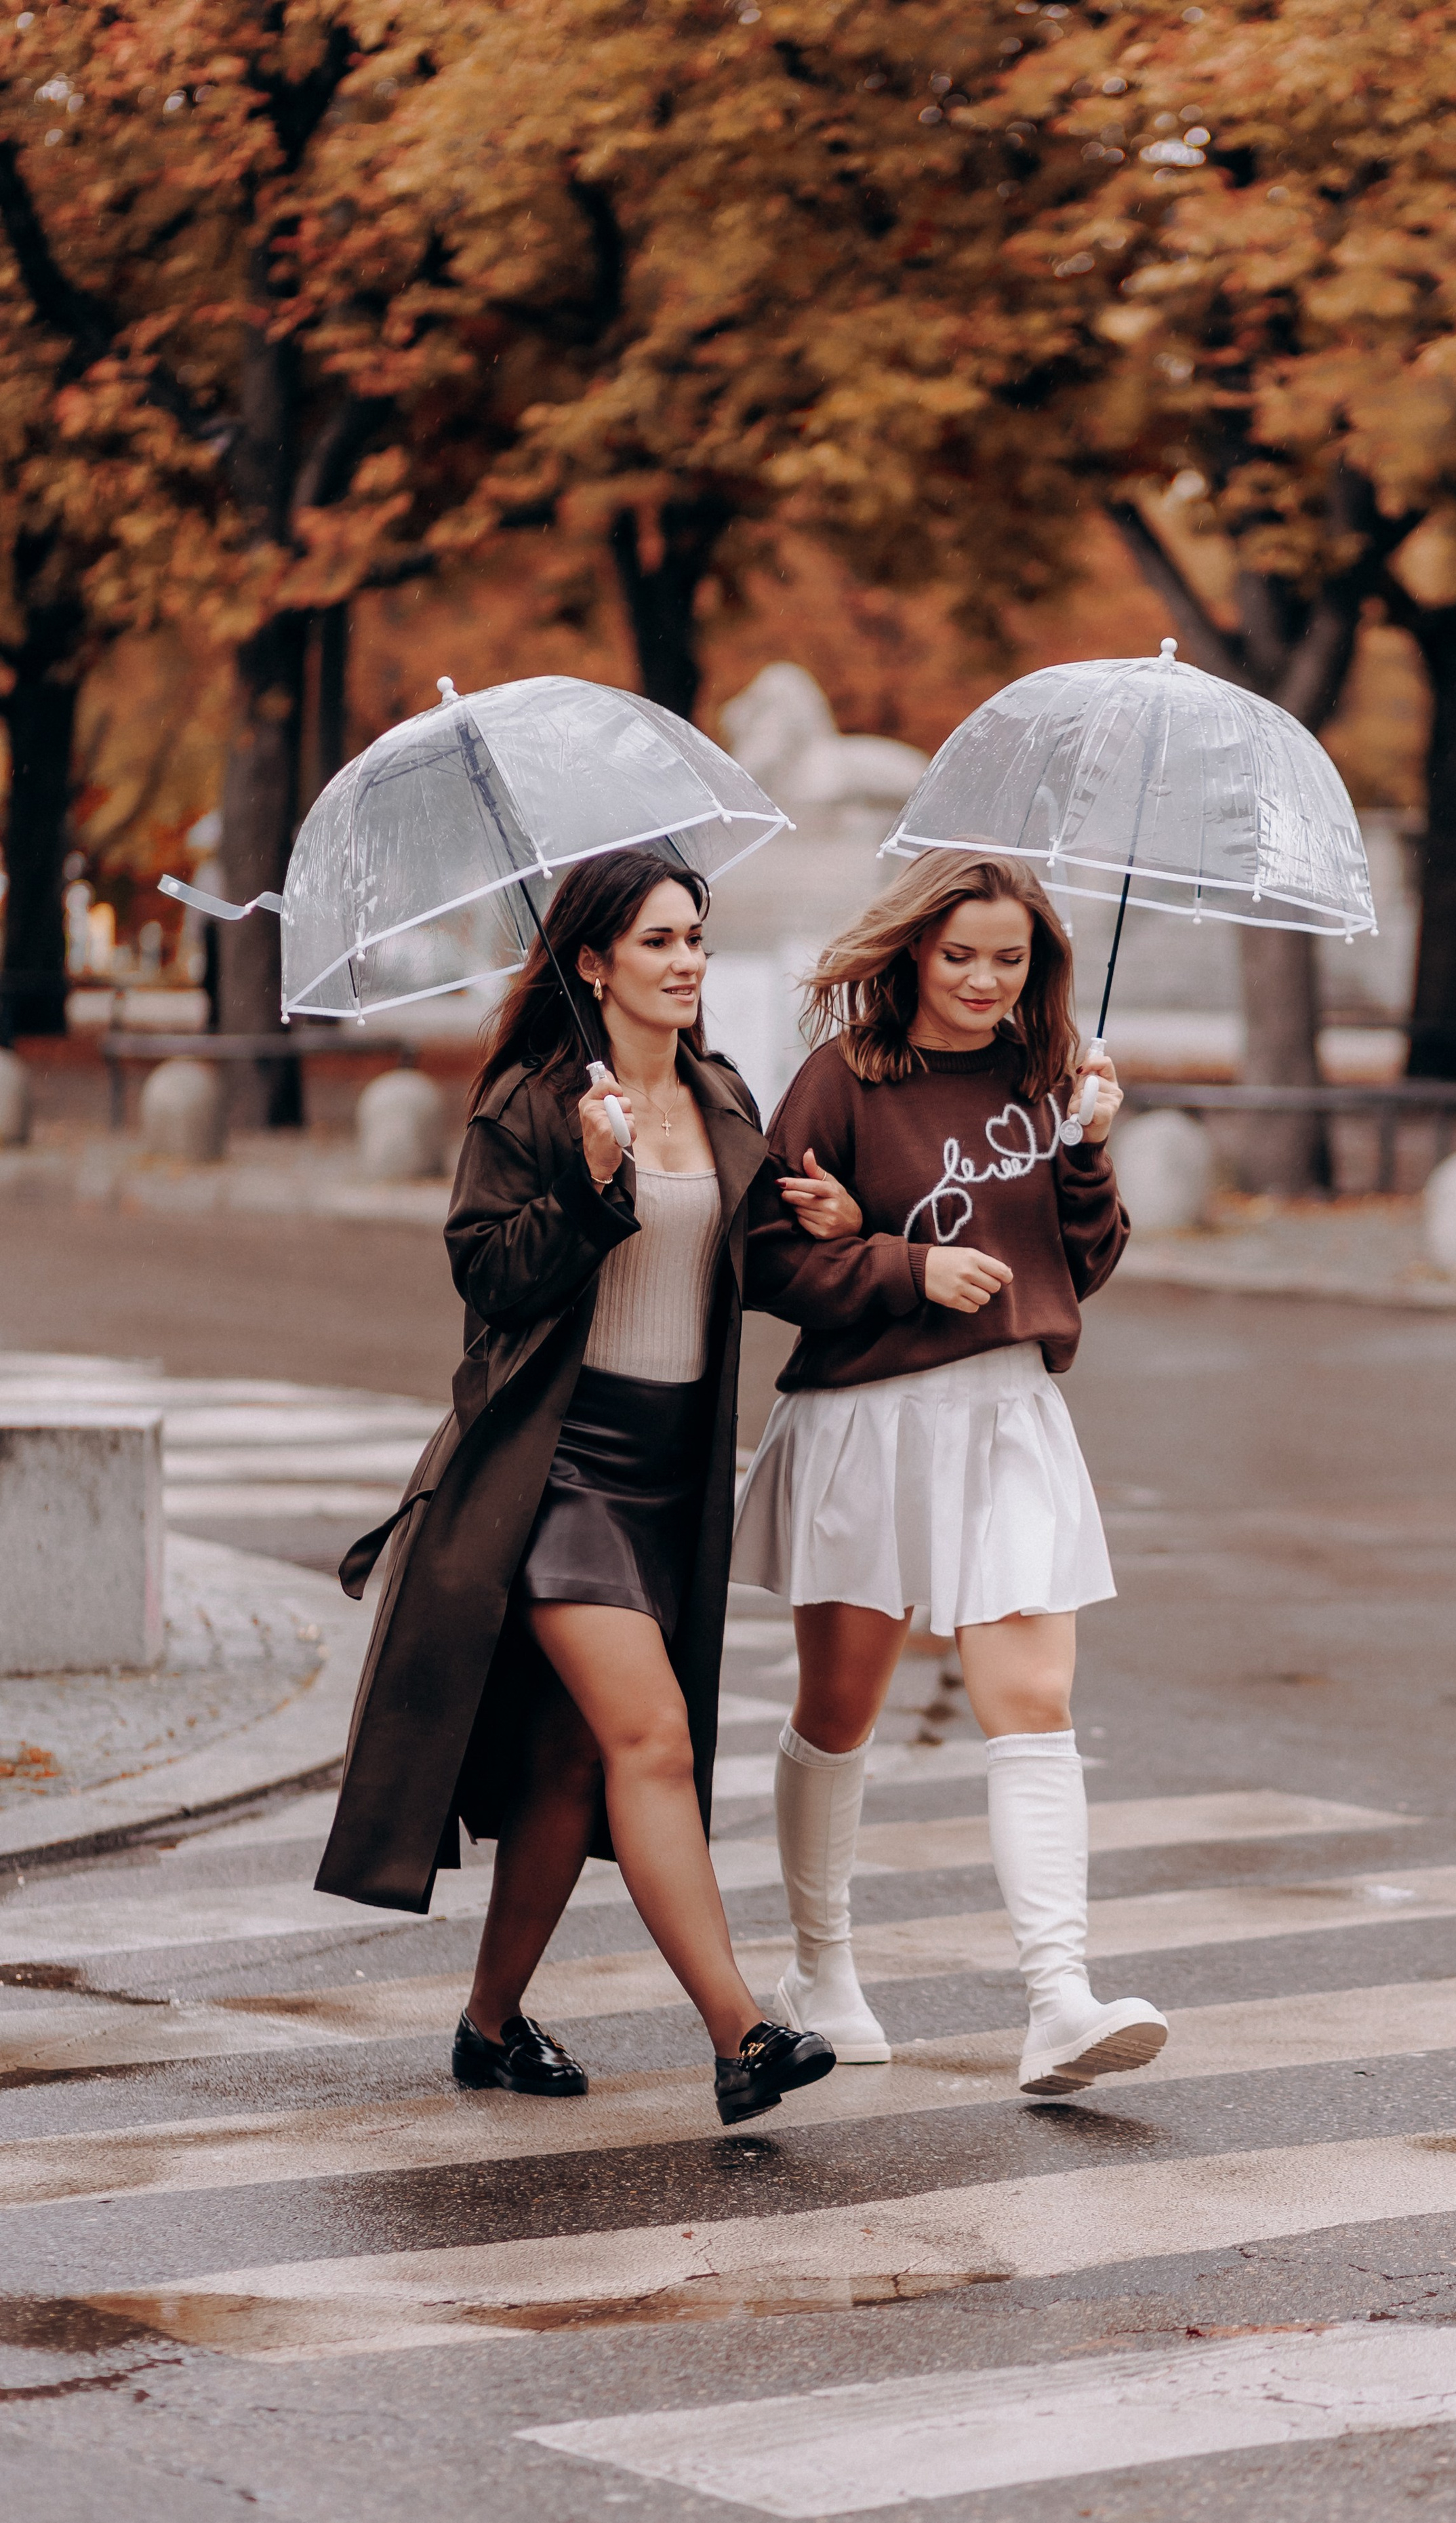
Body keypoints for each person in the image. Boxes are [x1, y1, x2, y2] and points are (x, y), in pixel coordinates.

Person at [315, 846, 855, 2128]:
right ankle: (742, 2036)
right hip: (554, 1468)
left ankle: (490, 2027)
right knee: (651, 1740)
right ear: (594, 962)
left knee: (568, 1764)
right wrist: (591, 1183)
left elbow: (746, 1266)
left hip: (674, 1475)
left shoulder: (724, 1098)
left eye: (697, 941)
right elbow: (490, 1280)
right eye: (660, 942)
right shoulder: (533, 1103)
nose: (688, 964)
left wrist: (826, 1226)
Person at [733, 849, 1169, 2097]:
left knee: (1034, 1700)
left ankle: (1058, 2000)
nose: (985, 980)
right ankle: (821, 1972)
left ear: (1039, 967)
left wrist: (1086, 1147)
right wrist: (898, 1268)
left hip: (1011, 1416)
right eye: (961, 953)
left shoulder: (1053, 1083)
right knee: (840, 1709)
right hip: (867, 1419)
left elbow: (1078, 1264)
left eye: (1010, 959)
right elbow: (766, 1258)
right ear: (915, 951)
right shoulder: (845, 1080)